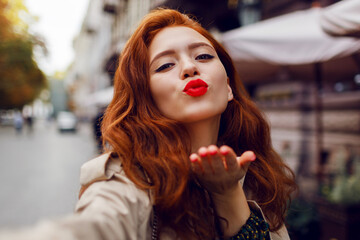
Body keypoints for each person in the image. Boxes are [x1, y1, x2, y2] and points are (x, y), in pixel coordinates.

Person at [0, 8, 296, 240]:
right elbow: (95, 227)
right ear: (146, 97)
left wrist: (228, 193)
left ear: (229, 87)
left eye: (203, 56)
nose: (190, 67)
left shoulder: (259, 172)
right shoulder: (127, 180)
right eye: (166, 65)